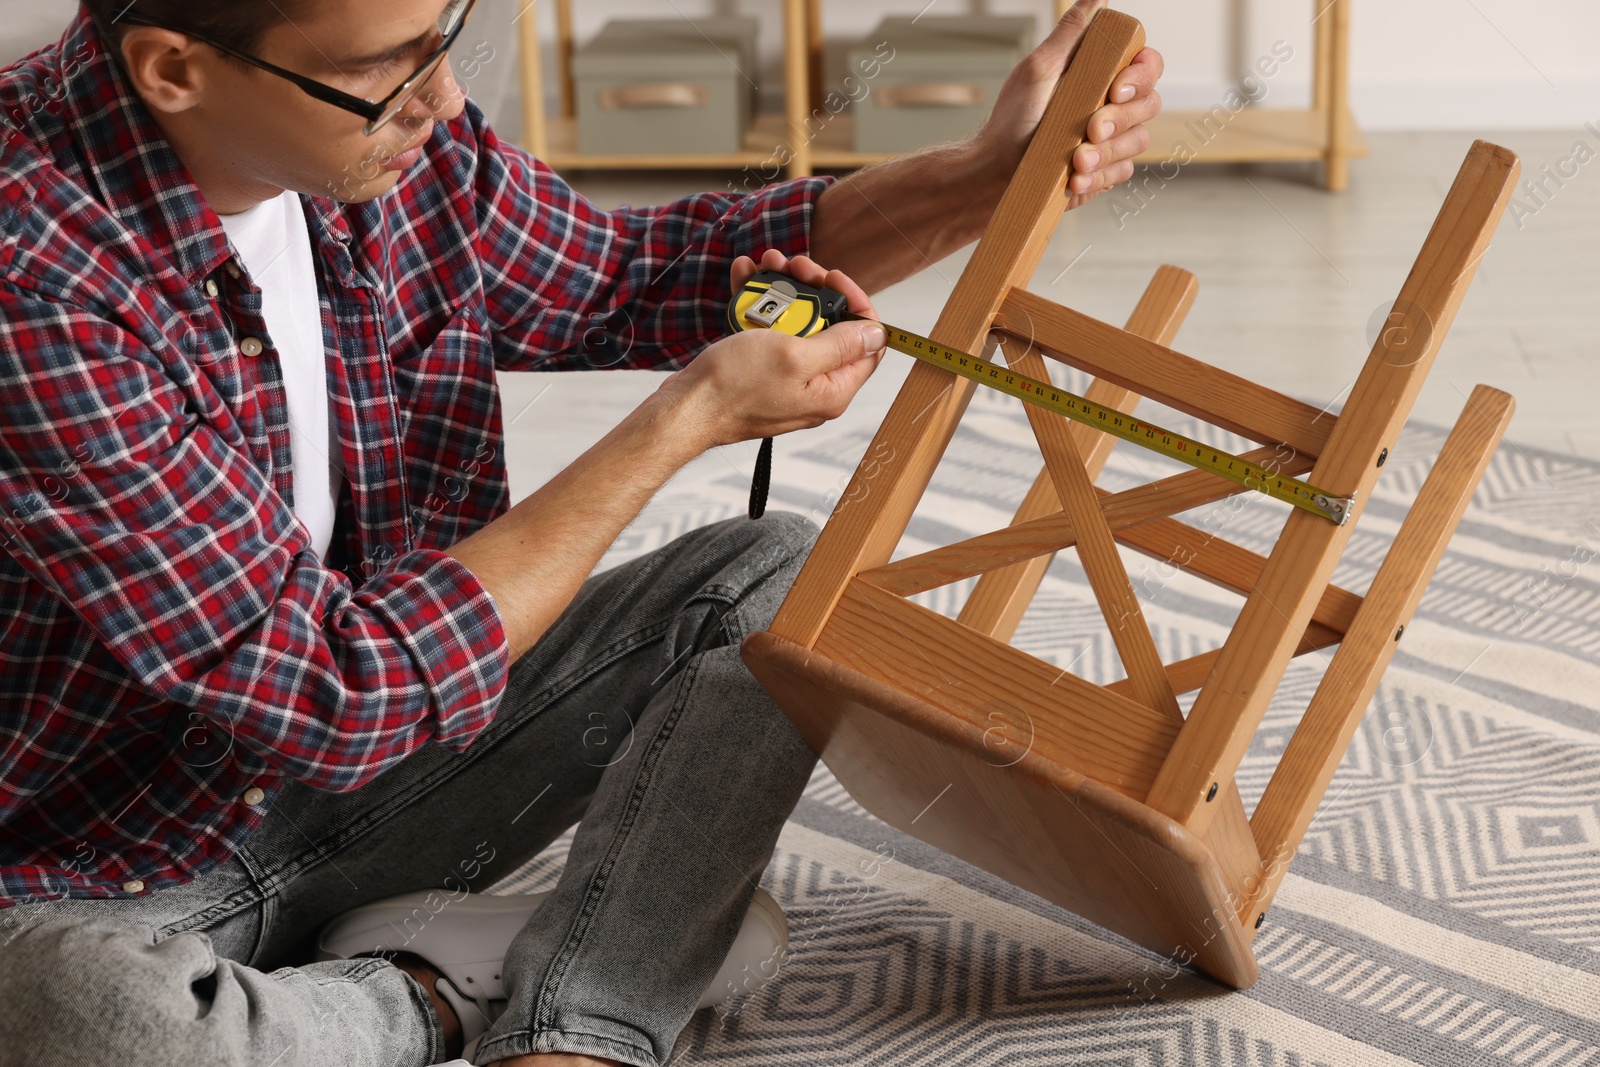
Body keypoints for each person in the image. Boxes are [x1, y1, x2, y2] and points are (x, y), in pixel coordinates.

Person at [0, 0, 1163, 1064]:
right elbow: (328, 687)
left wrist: (982, 178)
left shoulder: (378, 142)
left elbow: (623, 278)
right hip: (91, 864)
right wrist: (683, 420)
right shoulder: (34, 270)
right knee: (99, 1022)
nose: (443, 101)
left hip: (387, 773)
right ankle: (440, 983)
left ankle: (581, 1024)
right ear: (173, 71)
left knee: (774, 579)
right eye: (383, 70)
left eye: (442, 36)